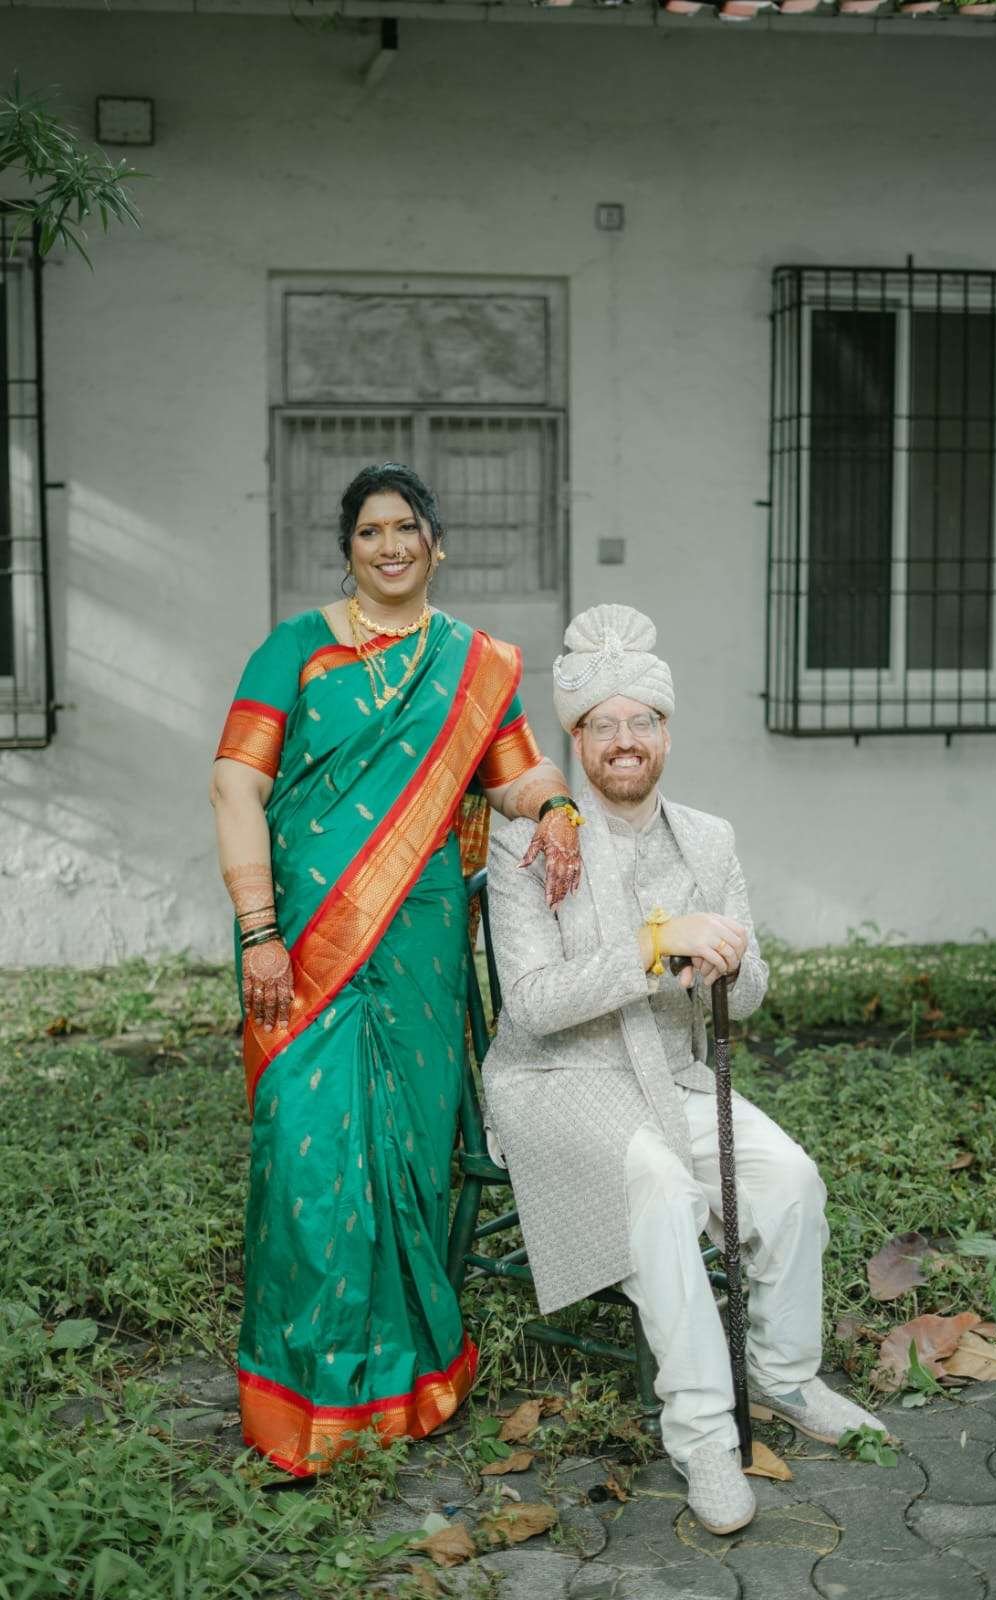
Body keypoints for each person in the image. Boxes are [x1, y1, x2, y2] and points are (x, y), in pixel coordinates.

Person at [210, 463, 583, 1477]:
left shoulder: (473, 664)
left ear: (435, 545)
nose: (388, 544)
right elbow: (235, 787)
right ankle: (303, 1395)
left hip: (418, 945)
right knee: (306, 1158)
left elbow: (518, 775)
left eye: (405, 527)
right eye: (370, 529)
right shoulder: (296, 649)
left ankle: (407, 1381)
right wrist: (259, 930)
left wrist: (556, 807)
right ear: (349, 549)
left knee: (410, 1157)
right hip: (301, 945)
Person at [482, 603, 885, 1536]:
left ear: (667, 733)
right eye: (602, 725)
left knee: (791, 1180)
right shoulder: (527, 842)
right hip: (557, 1081)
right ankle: (704, 1432)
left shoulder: (708, 839)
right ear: (576, 740)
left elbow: (750, 993)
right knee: (662, 1189)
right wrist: (658, 945)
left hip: (670, 1076)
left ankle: (783, 1377)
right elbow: (533, 1003)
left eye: (642, 722)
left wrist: (731, 966)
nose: (624, 741)